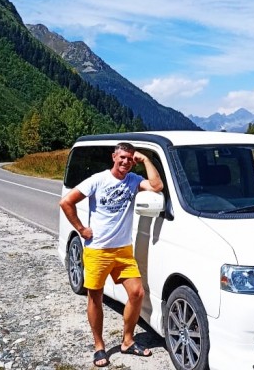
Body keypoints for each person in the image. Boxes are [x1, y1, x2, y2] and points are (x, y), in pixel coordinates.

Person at [59, 142, 164, 368]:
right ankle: (99, 346)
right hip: (98, 250)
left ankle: (128, 341)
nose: (125, 161)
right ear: (114, 157)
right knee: (95, 298)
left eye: (129, 158)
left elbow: (157, 186)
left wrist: (145, 159)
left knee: (137, 293)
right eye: (122, 157)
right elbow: (66, 202)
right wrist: (81, 229)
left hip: (123, 250)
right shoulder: (98, 180)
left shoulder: (134, 180)